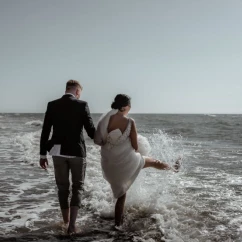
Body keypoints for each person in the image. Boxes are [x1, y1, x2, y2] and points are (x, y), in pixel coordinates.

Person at [94, 94, 181, 227]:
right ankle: (173, 168)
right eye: (130, 106)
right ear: (124, 107)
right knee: (152, 162)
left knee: (120, 194)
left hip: (108, 164)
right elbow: (135, 146)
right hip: (125, 162)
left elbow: (100, 140)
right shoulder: (129, 122)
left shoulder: (106, 120)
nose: (130, 108)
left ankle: (117, 225)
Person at [39, 80, 95, 234]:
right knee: (78, 187)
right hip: (77, 152)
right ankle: (73, 225)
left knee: (63, 188)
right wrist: (104, 139)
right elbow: (91, 130)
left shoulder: (52, 104)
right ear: (77, 91)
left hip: (57, 152)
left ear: (66, 89)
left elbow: (45, 131)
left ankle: (66, 221)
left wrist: (42, 154)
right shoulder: (82, 105)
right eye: (80, 93)